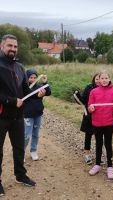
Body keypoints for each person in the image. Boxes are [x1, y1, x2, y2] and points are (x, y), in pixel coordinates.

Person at [0, 34, 45, 196]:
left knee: (19, 148)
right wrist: (12, 101)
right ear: (2, 46)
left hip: (18, 116)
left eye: (15, 46)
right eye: (9, 46)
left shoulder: (20, 67)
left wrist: (37, 94)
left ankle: (20, 175)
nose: (13, 49)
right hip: (1, 116)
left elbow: (25, 90)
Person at [88, 71, 113, 179]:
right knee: (98, 144)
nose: (104, 80)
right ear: (98, 79)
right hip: (96, 123)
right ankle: (97, 164)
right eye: (101, 78)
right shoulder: (93, 91)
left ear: (109, 79)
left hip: (108, 123)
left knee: (108, 144)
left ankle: (110, 167)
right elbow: (90, 107)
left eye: (106, 78)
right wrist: (91, 108)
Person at [24, 69, 51, 161]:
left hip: (38, 114)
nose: (33, 79)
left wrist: (45, 82)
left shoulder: (39, 86)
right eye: (31, 77)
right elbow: (25, 97)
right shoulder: (23, 87)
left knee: (35, 134)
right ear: (26, 78)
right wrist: (37, 96)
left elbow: (49, 92)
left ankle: (33, 151)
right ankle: (22, 152)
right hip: (27, 115)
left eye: (35, 77)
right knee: (26, 135)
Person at [74, 73, 100, 165]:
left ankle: (99, 156)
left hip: (100, 117)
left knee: (99, 137)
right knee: (88, 135)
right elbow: (83, 100)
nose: (98, 81)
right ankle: (87, 154)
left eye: (100, 79)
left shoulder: (105, 89)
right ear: (94, 79)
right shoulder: (89, 88)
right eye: (97, 79)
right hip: (89, 116)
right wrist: (77, 95)